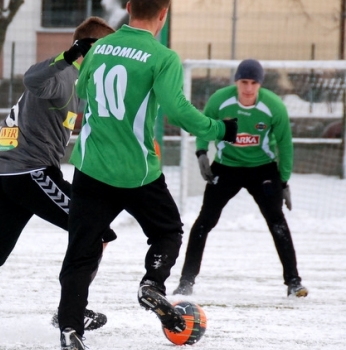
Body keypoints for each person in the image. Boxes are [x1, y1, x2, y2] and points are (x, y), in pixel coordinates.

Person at [56, 1, 239, 349]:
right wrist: (219, 129)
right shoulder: (162, 56)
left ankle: (69, 330)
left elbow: (80, 93)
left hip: (91, 169)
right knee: (168, 230)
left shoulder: (97, 49)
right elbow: (177, 110)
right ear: (164, 13)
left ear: (127, 8)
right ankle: (152, 283)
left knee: (80, 251)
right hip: (138, 172)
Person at [0, 17, 118, 332]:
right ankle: (72, 310)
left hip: (9, 175)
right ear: (91, 48)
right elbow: (32, 79)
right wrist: (70, 55)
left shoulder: (80, 82)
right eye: (108, 51)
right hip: (31, 173)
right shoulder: (65, 73)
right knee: (98, 233)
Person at [172, 59, 308, 298]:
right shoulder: (220, 100)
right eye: (244, 82)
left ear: (260, 84)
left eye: (253, 83)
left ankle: (294, 282)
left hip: (262, 170)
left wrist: (284, 181)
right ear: (236, 81)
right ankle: (186, 281)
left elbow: (285, 144)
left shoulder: (274, 106)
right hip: (227, 168)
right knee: (205, 221)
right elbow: (205, 127)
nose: (248, 88)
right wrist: (201, 152)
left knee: (277, 221)